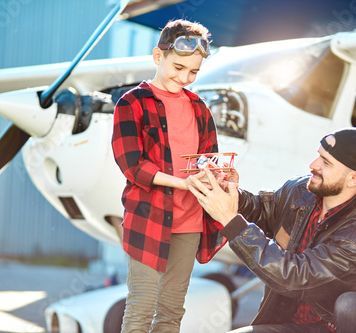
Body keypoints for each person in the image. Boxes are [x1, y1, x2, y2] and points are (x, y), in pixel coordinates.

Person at [188, 128, 356, 332]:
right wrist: (231, 195)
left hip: (338, 327)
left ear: (354, 178)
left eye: (326, 162)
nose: (313, 165)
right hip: (296, 325)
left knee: (350, 306)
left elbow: (294, 276)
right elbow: (263, 212)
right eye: (318, 155)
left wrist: (230, 220)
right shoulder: (301, 190)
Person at [111, 19, 225, 332]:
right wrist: (182, 182)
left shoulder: (199, 107)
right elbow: (132, 165)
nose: (185, 78)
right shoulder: (131, 103)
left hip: (189, 222)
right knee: (140, 309)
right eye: (178, 67)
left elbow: (208, 160)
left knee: (172, 312)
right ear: (157, 56)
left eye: (193, 72)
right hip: (148, 218)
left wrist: (220, 175)